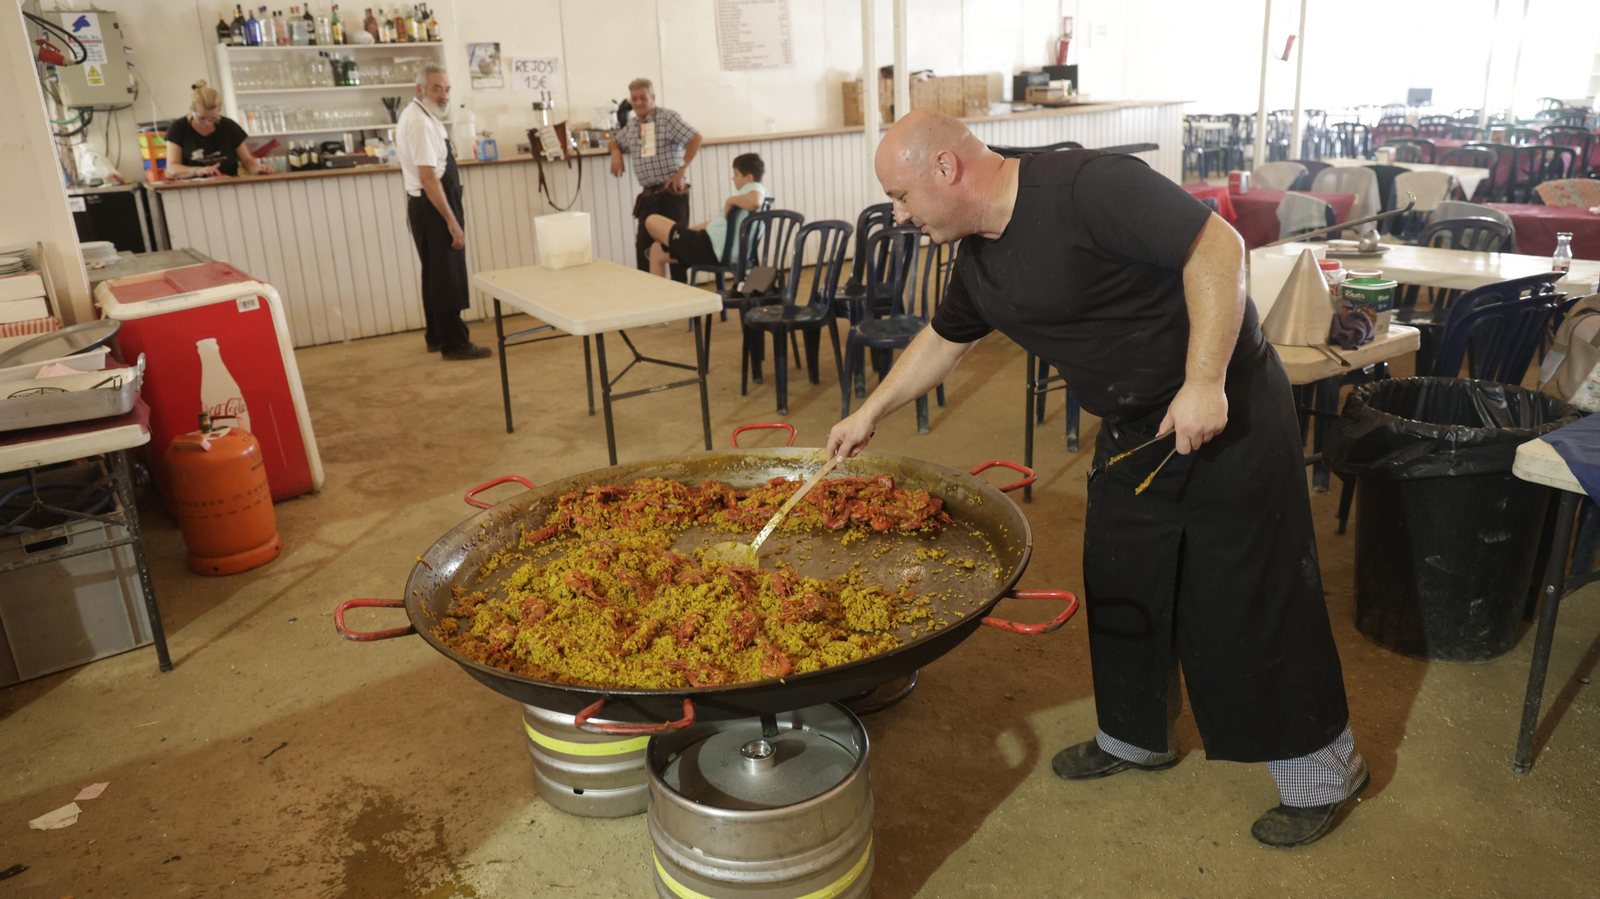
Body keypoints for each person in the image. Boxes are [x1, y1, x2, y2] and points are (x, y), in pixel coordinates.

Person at [827, 109, 1368, 848]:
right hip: (1130, 428)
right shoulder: (980, 259)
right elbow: (943, 341)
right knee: (1122, 579)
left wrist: (1205, 379)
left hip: (1222, 407)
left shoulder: (1088, 186)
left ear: (945, 170)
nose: (899, 214)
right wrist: (870, 412)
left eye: (902, 196)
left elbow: (1219, 247)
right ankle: (1136, 737)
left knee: (1249, 594)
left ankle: (1325, 771)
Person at [394, 63, 490, 361]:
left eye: (446, 89)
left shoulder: (421, 115)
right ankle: (455, 343)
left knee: (434, 274)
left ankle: (436, 335)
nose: (443, 95)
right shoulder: (421, 123)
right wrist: (451, 221)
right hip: (433, 205)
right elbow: (428, 176)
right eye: (437, 88)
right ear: (419, 89)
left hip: (424, 205)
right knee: (447, 275)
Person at [609, 78, 702, 282]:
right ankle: (651, 300)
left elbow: (695, 138)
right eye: (634, 98)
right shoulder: (632, 125)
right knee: (644, 250)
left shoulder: (667, 118)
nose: (639, 102)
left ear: (653, 97)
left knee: (675, 249)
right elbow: (614, 142)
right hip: (648, 197)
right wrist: (615, 153)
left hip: (671, 194)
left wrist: (682, 169)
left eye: (643, 97)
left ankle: (682, 300)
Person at [642, 153, 766, 278]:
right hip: (711, 246)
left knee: (651, 220)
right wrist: (688, 231)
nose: (733, 178)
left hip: (709, 248)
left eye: (736, 174)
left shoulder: (754, 188)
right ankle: (664, 294)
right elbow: (719, 223)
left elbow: (756, 201)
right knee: (656, 250)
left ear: (749, 178)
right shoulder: (747, 197)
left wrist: (730, 200)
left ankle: (671, 243)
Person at [164, 81, 274, 179]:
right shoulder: (178, 128)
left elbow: (247, 160)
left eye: (213, 118)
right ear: (191, 109)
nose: (207, 123)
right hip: (193, 189)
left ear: (219, 111)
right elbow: (172, 168)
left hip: (229, 185)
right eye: (201, 118)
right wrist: (197, 171)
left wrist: (256, 169)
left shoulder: (228, 126)